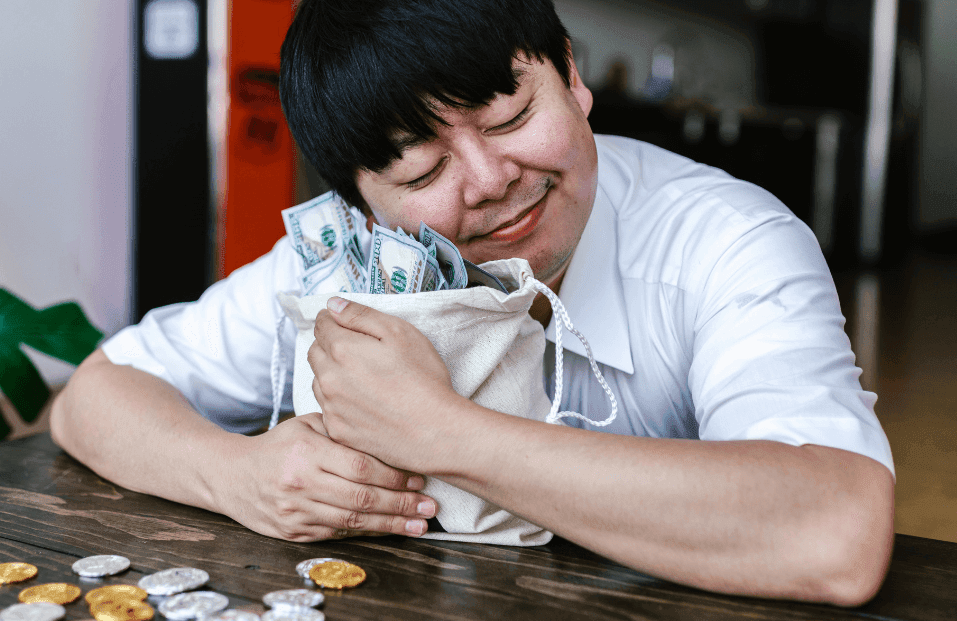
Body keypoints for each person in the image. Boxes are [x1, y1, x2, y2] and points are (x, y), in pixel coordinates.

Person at [50, 0, 895, 606]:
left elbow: (836, 534)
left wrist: (439, 432)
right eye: (421, 172)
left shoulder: (727, 239)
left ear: (571, 74)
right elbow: (93, 396)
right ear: (361, 202)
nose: (493, 183)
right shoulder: (350, 263)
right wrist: (239, 475)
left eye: (511, 115)